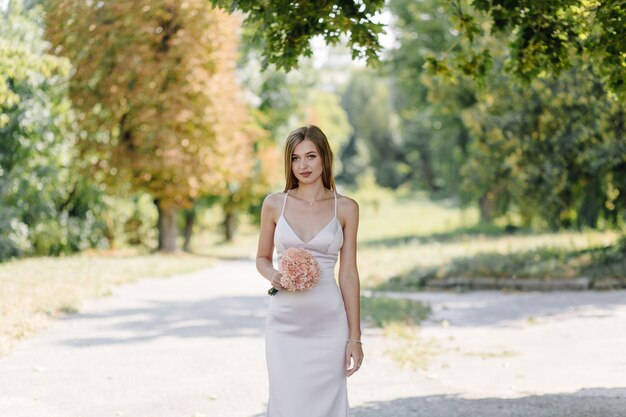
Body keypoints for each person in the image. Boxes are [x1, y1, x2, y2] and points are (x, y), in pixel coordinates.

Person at [256, 125, 364, 417]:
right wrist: (274, 275)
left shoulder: (346, 208)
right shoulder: (274, 204)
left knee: (327, 406)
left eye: (310, 156)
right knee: (286, 404)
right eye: (295, 158)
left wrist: (355, 337)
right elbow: (262, 259)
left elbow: (349, 274)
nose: (302, 165)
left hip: (328, 323)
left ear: (325, 158)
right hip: (284, 323)